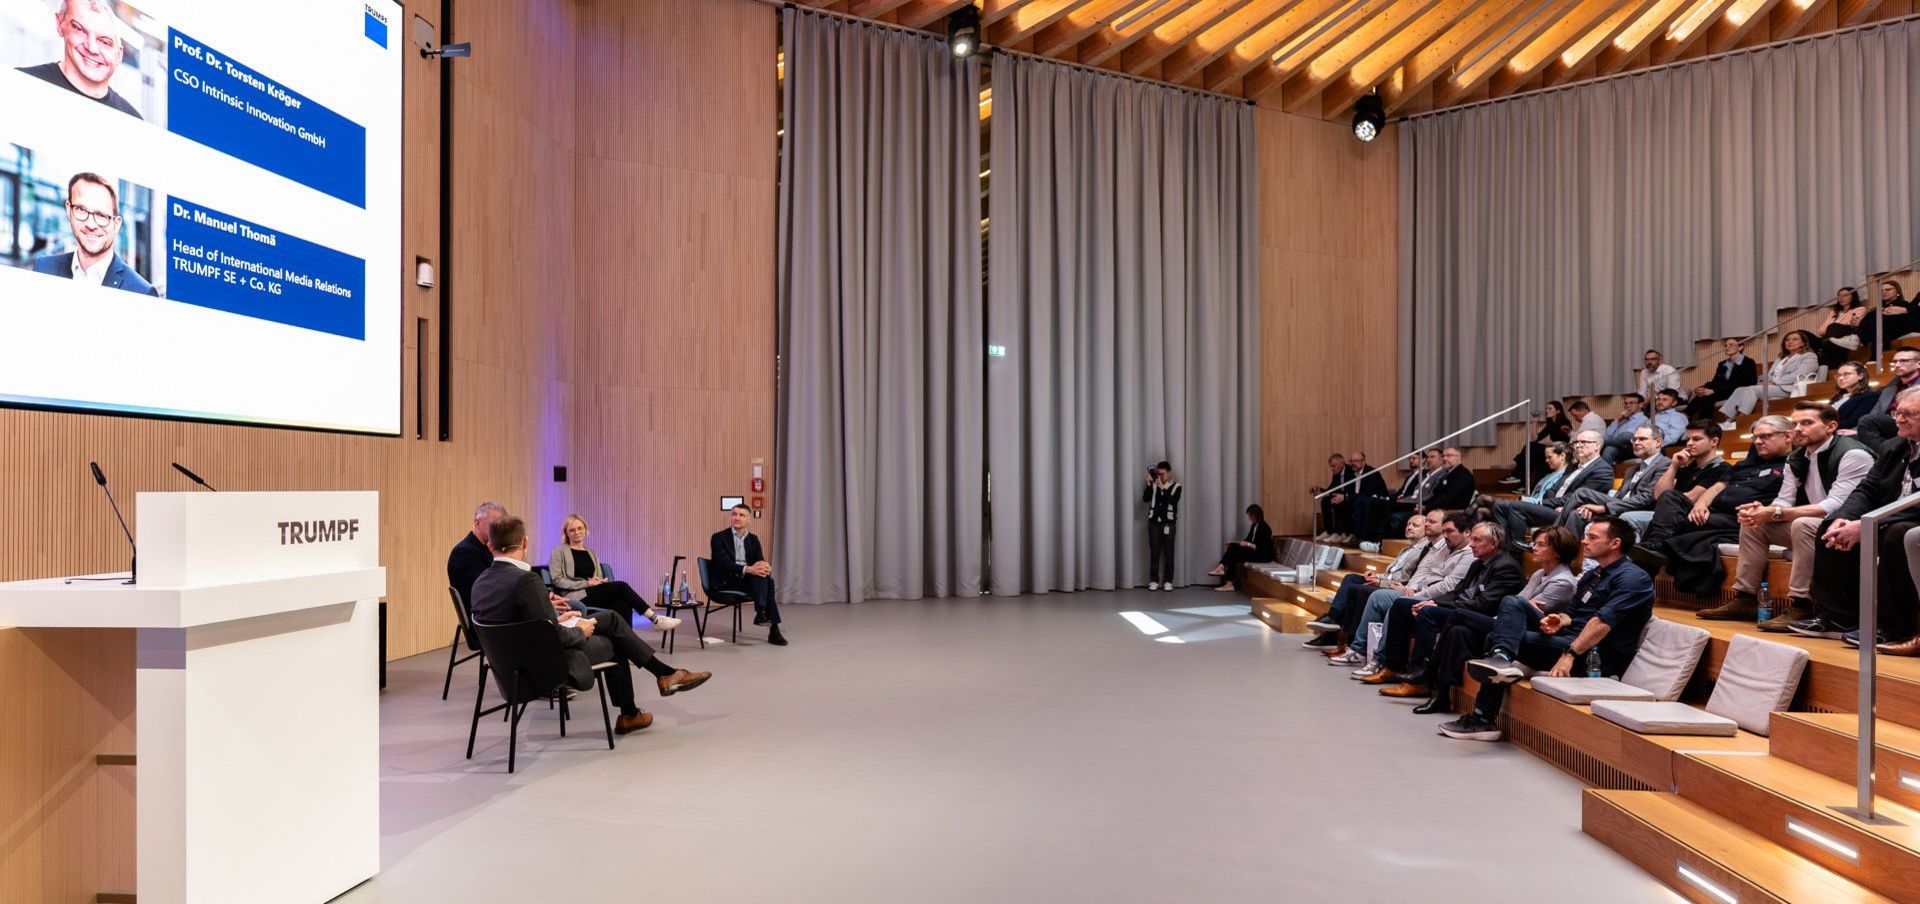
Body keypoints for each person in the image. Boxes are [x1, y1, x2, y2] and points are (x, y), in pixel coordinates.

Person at [470, 515, 711, 736]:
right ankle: (633, 710)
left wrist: (558, 619)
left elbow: (521, 624)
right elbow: (554, 637)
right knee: (616, 643)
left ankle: (663, 677)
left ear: (490, 546)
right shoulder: (526, 581)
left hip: (508, 665)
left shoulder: (480, 581)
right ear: (524, 542)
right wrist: (579, 630)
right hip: (543, 665)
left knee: (611, 618)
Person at [1447, 517, 1654, 741]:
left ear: (1615, 543)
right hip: (1569, 637)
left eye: (1592, 537)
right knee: (1513, 602)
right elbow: (1572, 613)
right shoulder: (1593, 574)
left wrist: (1569, 654)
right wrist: (1560, 619)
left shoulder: (1634, 579)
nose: (1584, 541)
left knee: (1494, 636)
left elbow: (1602, 623)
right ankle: (1501, 658)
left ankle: (1483, 717)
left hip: (1594, 655)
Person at [1700, 402, 1874, 628]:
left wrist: (1776, 511)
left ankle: (1801, 604)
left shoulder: (1853, 454)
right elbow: (1784, 499)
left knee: (1802, 524)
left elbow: (1835, 505)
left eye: (1807, 423)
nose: (1798, 429)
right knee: (1754, 523)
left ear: (1831, 427)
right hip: (1818, 527)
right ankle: (1745, 598)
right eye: (1795, 423)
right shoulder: (1797, 457)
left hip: (1851, 528)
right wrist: (1763, 512)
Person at [1400, 526, 1580, 715]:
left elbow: (1522, 609)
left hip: (1524, 632)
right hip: (1508, 623)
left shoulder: (1563, 582)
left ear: (1557, 552)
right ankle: (1440, 695)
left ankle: (1429, 671)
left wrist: (1517, 608)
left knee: (1458, 615)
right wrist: (1517, 608)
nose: (1534, 548)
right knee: (1458, 631)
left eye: (1541, 545)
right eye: (1535, 543)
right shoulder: (1538, 574)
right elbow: (1518, 604)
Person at [1801, 387, 1920, 643]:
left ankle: (1891, 628)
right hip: (1886, 518)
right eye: (1897, 413)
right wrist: (1844, 517)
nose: (1898, 420)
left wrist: (1867, 526)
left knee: (1898, 534)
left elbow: (1916, 505)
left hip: (1908, 521)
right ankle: (1837, 618)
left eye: (1908, 414)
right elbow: (1867, 490)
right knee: (1830, 526)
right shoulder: (1893, 446)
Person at [1633, 417, 1792, 597]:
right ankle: (1653, 553)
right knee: (1669, 497)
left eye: (1765, 436)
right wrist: (1701, 505)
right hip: (1715, 513)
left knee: (1669, 523)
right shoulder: (1743, 465)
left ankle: (1640, 580)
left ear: (1787, 437)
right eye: (1755, 437)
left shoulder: (1791, 465)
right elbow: (1717, 487)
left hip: (1742, 519)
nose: (1758, 441)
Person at [1364, 521, 1525, 693]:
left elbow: (1484, 605)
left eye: (1477, 540)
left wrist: (1437, 604)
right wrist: (1434, 601)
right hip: (1461, 607)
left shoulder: (1506, 567)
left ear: (1494, 543)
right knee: (1402, 605)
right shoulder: (1478, 563)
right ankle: (1393, 666)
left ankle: (1418, 677)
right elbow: (1456, 592)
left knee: (1427, 612)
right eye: (1472, 539)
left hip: (1478, 616)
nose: (1471, 544)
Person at [1346, 514, 1474, 677]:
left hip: (1437, 598)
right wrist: (1411, 588)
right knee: (1377, 597)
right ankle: (1359, 649)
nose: (1446, 535)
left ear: (1466, 532)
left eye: (1449, 531)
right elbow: (1424, 570)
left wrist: (1417, 593)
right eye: (1444, 531)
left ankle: (1380, 660)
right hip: (1419, 590)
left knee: (1399, 603)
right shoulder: (1446, 548)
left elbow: (1448, 586)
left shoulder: (1468, 554)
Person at [1305, 513, 1429, 653]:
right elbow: (1391, 573)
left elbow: (1406, 581)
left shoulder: (1424, 550)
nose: (1409, 527)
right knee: (1351, 578)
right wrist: (1376, 575)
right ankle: (1332, 618)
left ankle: (1343, 640)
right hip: (1385, 580)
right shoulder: (1406, 549)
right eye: (1408, 524)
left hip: (1394, 587)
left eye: (1415, 525)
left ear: (1425, 530)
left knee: (1357, 590)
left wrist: (1380, 582)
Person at [30, 173, 158, 296]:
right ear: (69, 210)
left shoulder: (141, 291)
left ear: (116, 224)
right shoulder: (43, 268)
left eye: (101, 215)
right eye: (81, 210)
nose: (91, 225)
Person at [547, 514, 683, 630]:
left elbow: (596, 577)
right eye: (572, 530)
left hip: (592, 593)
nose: (577, 532)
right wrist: (587, 583)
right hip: (575, 596)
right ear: (566, 533)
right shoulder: (558, 552)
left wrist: (600, 581)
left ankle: (628, 645)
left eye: (580, 528)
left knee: (623, 603)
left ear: (585, 529)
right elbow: (557, 580)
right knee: (621, 586)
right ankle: (655, 619)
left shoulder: (592, 553)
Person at [16, 0, 143, 119]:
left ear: (119, 55)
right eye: (79, 30)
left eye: (105, 42)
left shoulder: (132, 120)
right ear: (60, 23)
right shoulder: (20, 86)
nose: (92, 48)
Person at [1492, 430, 1611, 547]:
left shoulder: (1602, 470)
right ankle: (1504, 547)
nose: (1578, 445)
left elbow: (1579, 497)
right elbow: (1553, 489)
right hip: (1554, 506)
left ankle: (1516, 550)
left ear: (1597, 446)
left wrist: (1544, 503)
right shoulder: (1574, 466)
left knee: (1516, 506)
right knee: (1499, 506)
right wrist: (1550, 502)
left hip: (1566, 512)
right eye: (1576, 442)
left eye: (1583, 442)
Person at [1560, 426, 1669, 538]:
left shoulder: (1664, 464)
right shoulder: (1631, 470)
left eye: (1642, 439)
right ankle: (1564, 547)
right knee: (1578, 514)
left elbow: (1646, 499)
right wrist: (1593, 508)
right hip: (1619, 505)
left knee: (1582, 492)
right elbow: (1619, 496)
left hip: (1640, 509)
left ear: (1658, 442)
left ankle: (1555, 537)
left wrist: (1605, 508)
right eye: (1634, 439)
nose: (1636, 442)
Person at [710, 503, 788, 645]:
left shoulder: (753, 539)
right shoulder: (718, 538)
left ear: (749, 520)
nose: (737, 518)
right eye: (734, 514)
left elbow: (759, 561)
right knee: (768, 582)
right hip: (726, 581)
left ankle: (762, 614)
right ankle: (772, 628)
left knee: (765, 577)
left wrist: (765, 567)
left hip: (746, 581)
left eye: (742, 515)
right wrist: (749, 569)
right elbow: (725, 564)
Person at [1719, 330, 1818, 421]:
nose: (1790, 342)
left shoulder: (1809, 356)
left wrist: (1774, 382)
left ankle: (1742, 419)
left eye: (1795, 339)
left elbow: (1799, 375)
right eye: (1787, 340)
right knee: (1740, 389)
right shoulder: (1781, 357)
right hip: (1773, 386)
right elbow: (1770, 374)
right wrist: (1764, 381)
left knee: (1752, 389)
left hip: (1788, 388)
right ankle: (1728, 420)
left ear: (1803, 343)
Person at [1852, 346, 1920, 453]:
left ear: (1918, 364)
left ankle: (1887, 457)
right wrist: (1855, 430)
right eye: (1895, 361)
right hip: (1888, 423)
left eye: (1903, 361)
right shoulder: (1889, 388)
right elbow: (1876, 412)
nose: (1897, 365)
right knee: (1852, 437)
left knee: (1866, 421)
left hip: (1910, 420)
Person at [1359, 452, 1431, 547]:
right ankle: (1367, 537)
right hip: (1400, 501)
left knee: (1377, 505)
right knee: (1370, 502)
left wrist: (1402, 499)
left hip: (1409, 503)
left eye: (1414, 458)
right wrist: (1391, 498)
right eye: (1410, 458)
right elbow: (1401, 491)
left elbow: (1416, 494)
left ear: (1423, 460)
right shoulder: (1410, 475)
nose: (1411, 460)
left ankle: (1376, 541)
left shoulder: (1424, 475)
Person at [449, 501, 508, 604]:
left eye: (502, 526)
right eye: (495, 524)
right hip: (483, 611)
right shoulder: (464, 553)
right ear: (477, 523)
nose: (499, 530)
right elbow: (486, 591)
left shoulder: (491, 549)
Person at [1687, 338, 1759, 421]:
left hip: (1738, 392)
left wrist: (1714, 391)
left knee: (1708, 394)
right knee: (1706, 395)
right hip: (1723, 392)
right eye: (1725, 345)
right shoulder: (1722, 364)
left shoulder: (1748, 362)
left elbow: (1744, 384)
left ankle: (1687, 415)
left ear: (1740, 347)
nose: (1727, 347)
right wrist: (1702, 389)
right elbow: (1715, 382)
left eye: (1731, 344)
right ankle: (1703, 422)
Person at [1208, 504, 1274, 593]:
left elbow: (1261, 548)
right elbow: (1248, 540)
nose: (1249, 518)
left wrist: (1247, 544)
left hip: (1263, 556)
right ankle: (1224, 574)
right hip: (1255, 553)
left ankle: (1224, 575)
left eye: (1250, 516)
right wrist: (1235, 543)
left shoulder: (1265, 528)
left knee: (1233, 555)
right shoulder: (1254, 525)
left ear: (1256, 515)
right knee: (1232, 549)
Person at [1503, 400, 1572, 485]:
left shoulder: (1564, 422)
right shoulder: (1550, 424)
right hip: (1554, 449)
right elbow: (1535, 439)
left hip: (1561, 450)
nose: (1547, 411)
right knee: (1532, 454)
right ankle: (1523, 485)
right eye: (1546, 409)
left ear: (1558, 411)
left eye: (1550, 408)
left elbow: (1566, 440)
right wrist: (1534, 422)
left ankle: (1516, 474)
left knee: (1531, 446)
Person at [1142, 461, 1183, 589]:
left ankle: (1168, 581)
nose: (1160, 476)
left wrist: (1163, 488)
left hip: (1169, 524)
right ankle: (1154, 580)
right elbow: (1145, 499)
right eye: (1158, 474)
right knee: (1154, 553)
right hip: (1154, 524)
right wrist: (1149, 485)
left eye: (1162, 474)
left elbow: (1173, 501)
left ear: (1169, 473)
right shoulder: (1154, 485)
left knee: (1169, 554)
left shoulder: (1177, 486)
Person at [1812, 286, 1869, 368]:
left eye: (1845, 295)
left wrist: (1832, 327)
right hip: (1830, 336)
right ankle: (1827, 346)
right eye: (1839, 295)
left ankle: (1827, 347)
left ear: (1853, 297)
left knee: (1833, 327)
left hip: (1846, 335)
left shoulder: (1860, 309)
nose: (1841, 298)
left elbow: (1849, 325)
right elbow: (1821, 331)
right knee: (1804, 335)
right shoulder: (1834, 312)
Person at [1311, 454, 1356, 542]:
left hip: (1350, 497)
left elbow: (1353, 490)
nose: (1332, 468)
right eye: (1331, 466)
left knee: (1336, 501)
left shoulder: (1351, 471)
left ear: (1342, 464)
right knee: (1325, 501)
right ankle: (1329, 531)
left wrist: (1343, 497)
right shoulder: (1336, 474)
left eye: (1333, 466)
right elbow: (1331, 489)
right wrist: (1320, 490)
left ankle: (1339, 533)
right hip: (1340, 496)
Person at [1862, 279, 1918, 348]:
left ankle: (1859, 337)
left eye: (1888, 289)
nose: (1884, 292)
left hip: (1894, 329)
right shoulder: (1876, 309)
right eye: (1881, 291)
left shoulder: (1904, 304)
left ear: (1897, 291)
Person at [1419, 447, 1477, 513]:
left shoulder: (1463, 474)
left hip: (1451, 511)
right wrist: (1424, 504)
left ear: (1458, 457)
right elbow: (1436, 493)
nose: (1445, 458)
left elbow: (1448, 496)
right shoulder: (1449, 473)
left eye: (1449, 456)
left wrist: (1426, 506)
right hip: (1437, 508)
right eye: (1444, 456)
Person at [1600, 393, 1650, 464]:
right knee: (1609, 450)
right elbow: (1607, 435)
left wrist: (1604, 441)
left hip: (1632, 449)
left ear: (1640, 405)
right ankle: (1605, 472)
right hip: (1618, 448)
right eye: (1626, 403)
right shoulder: (1622, 420)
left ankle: (1599, 443)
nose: (1628, 406)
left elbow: (1630, 438)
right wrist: (1617, 420)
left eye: (1631, 403)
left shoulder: (1644, 419)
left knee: (1626, 435)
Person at [1829, 361, 1876, 432]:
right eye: (1838, 375)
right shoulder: (1837, 397)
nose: (1841, 378)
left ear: (1860, 376)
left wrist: (1825, 427)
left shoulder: (1870, 395)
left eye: (1846, 374)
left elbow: (1853, 421)